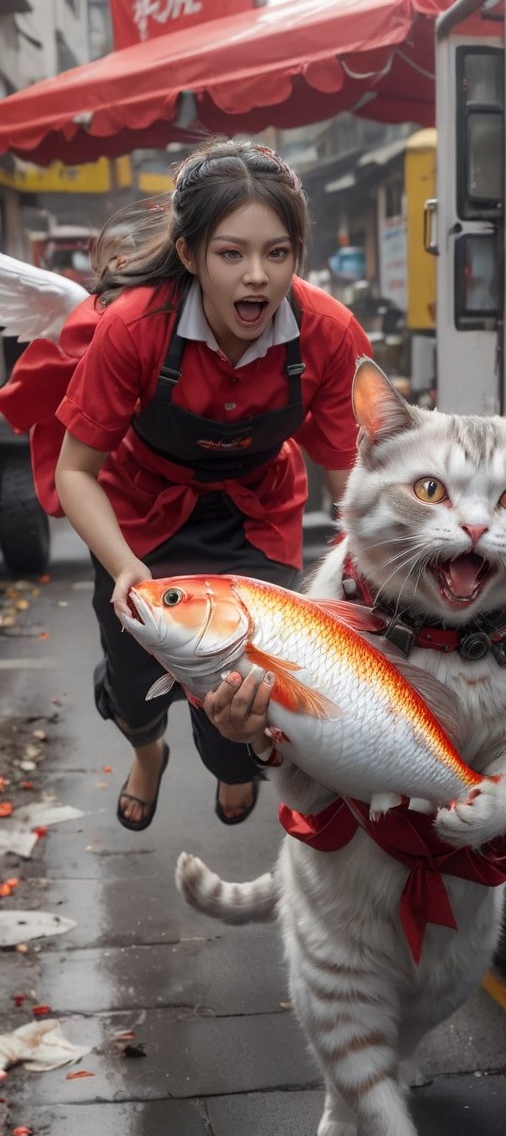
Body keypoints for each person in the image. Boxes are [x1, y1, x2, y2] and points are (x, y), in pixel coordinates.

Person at [6, 138, 372, 830]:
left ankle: (230, 764)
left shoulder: (328, 333)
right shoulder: (134, 327)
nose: (258, 278)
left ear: (298, 253)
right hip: (138, 520)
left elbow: (353, 484)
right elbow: (76, 472)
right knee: (136, 691)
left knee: (246, 705)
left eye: (278, 253)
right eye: (232, 254)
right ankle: (147, 755)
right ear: (190, 255)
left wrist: (361, 582)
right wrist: (126, 569)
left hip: (257, 518)